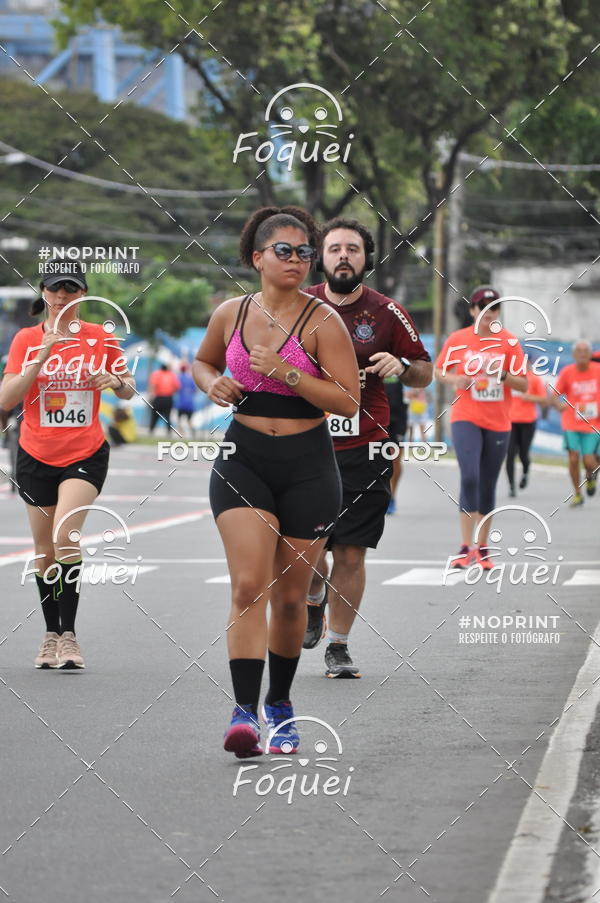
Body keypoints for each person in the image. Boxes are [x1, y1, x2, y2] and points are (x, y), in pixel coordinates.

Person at [192, 206, 359, 757]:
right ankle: (243, 713)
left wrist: (286, 372)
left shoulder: (323, 321)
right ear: (257, 257)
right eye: (284, 250)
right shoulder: (231, 312)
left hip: (308, 463)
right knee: (247, 586)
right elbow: (202, 362)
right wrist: (213, 382)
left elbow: (348, 400)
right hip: (244, 457)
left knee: (290, 599)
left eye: (304, 251)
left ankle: (280, 706)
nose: (296, 259)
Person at [303, 218, 433, 677]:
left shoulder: (386, 312)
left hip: (366, 444)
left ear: (366, 258)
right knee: (309, 548)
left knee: (352, 551)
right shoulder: (298, 306)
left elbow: (423, 370)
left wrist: (401, 365)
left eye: (352, 249)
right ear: (320, 257)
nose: (343, 256)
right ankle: (313, 599)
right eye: (334, 248)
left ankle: (339, 645)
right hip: (306, 445)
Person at [0, 260, 135, 668]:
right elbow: (8, 397)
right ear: (43, 293)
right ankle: (51, 635)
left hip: (85, 451)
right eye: (55, 290)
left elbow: (129, 389)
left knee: (65, 538)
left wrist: (114, 382)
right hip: (35, 453)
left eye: (71, 290)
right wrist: (41, 357)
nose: (62, 297)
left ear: (83, 295)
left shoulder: (99, 337)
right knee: (44, 552)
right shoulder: (26, 338)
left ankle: (71, 636)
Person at [435, 286, 527, 570]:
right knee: (470, 476)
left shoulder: (509, 342)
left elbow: (523, 384)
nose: (489, 312)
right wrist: (455, 381)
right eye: (483, 306)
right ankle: (465, 547)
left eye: (494, 306)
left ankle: (483, 548)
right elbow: (439, 370)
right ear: (473, 310)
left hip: (498, 420)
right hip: (466, 416)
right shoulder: (458, 339)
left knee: (487, 482)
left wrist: (501, 374)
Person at [552, 340, 600, 507]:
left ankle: (591, 476)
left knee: (589, 461)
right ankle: (578, 494)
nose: (582, 354)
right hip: (571, 422)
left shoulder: (598, 371)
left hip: (593, 423)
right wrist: (558, 405)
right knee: (573, 458)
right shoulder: (567, 372)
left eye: (585, 351)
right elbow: (554, 395)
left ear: (590, 354)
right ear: (573, 355)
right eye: (578, 351)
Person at [506, 363, 547, 496]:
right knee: (510, 453)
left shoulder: (534, 379)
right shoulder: (509, 377)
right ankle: (512, 487)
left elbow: (543, 399)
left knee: (523, 453)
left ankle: (525, 472)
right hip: (510, 421)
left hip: (528, 421)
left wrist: (530, 397)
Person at [383, 374, 408, 515]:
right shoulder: (370, 353)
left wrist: (415, 391)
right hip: (376, 412)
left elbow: (418, 376)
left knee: (395, 458)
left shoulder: (402, 355)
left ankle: (392, 496)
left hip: (398, 414)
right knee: (372, 456)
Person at [148, 363, 180, 434]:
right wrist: (171, 391)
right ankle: (169, 431)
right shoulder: (171, 375)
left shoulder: (156, 374)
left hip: (159, 398)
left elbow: (152, 385)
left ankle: (151, 430)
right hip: (168, 398)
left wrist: (151, 396)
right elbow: (177, 387)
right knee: (167, 416)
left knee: (154, 415)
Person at [176, 361, 197, 437]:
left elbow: (176, 388)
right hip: (189, 403)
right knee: (189, 421)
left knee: (178, 420)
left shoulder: (179, 377)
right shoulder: (191, 378)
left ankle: (182, 434)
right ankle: (193, 433)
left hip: (181, 403)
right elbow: (195, 390)